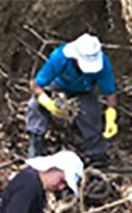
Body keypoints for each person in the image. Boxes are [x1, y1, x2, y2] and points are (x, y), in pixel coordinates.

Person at [26, 33, 118, 166]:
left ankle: (97, 156)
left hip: (84, 89)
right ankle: (36, 151)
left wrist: (111, 116)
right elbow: (35, 84)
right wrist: (49, 103)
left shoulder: (103, 64)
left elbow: (110, 93)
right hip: (57, 84)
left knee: (91, 113)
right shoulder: (60, 57)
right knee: (35, 106)